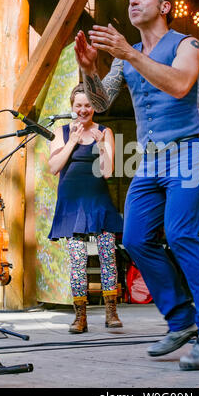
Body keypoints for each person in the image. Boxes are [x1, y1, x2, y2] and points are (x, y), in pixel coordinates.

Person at [74, 0, 199, 369]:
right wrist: (89, 70)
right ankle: (181, 321)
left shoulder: (187, 44)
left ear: (164, 6)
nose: (133, 1)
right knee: (135, 237)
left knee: (180, 233)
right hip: (149, 159)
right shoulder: (126, 58)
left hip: (189, 151)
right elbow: (100, 101)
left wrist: (128, 54)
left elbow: (180, 85)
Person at [48, 83, 123, 333]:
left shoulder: (105, 131)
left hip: (97, 201)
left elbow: (108, 172)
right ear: (72, 107)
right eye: (78, 105)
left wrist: (101, 145)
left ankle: (111, 310)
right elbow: (53, 166)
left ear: (95, 108)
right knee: (77, 260)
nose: (83, 109)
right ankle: (80, 315)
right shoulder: (61, 132)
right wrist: (74, 142)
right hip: (72, 203)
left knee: (107, 256)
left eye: (88, 105)